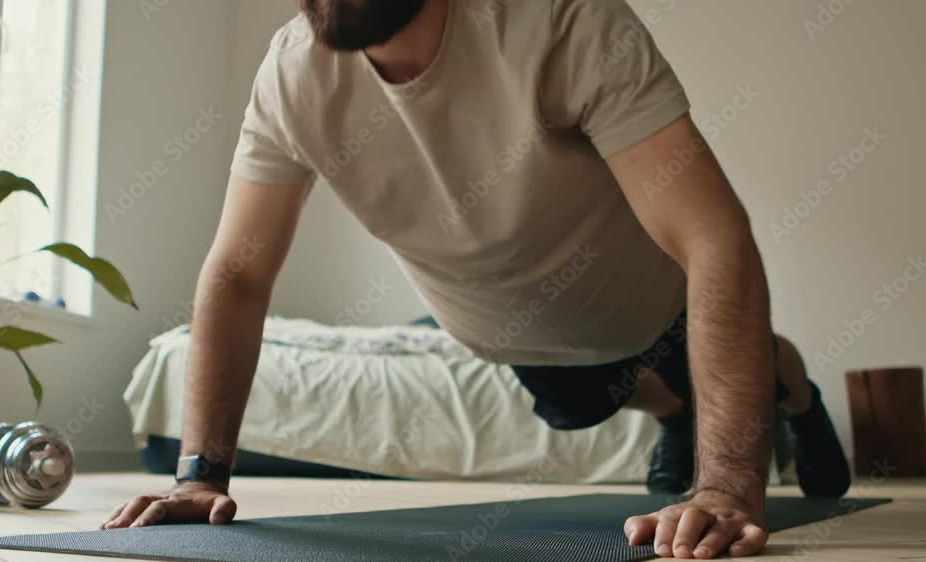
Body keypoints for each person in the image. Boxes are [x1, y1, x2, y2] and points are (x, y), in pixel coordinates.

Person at [102, 0, 851, 558]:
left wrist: (727, 485)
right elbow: (238, 272)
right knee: (594, 400)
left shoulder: (563, 21)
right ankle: (672, 412)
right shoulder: (292, 73)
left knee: (679, 361)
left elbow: (714, 237)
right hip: (519, 339)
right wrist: (199, 476)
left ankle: (795, 387)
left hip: (654, 303)